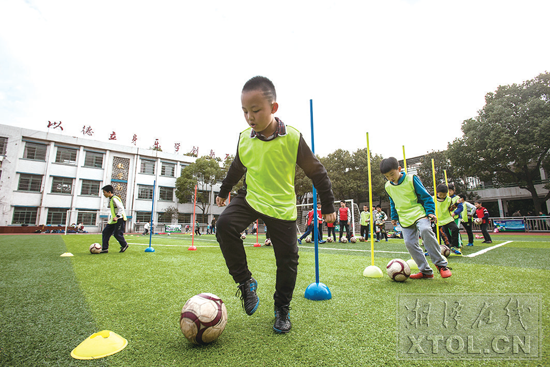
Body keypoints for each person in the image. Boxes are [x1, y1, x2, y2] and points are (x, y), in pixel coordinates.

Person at [215, 76, 336, 334]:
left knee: (287, 260)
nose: (250, 117)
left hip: (281, 206)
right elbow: (238, 167)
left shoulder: (292, 138)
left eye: (256, 110)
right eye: (245, 111)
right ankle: (246, 282)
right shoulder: (244, 138)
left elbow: (318, 172)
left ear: (274, 108)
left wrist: (328, 206)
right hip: (252, 197)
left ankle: (282, 308)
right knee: (224, 224)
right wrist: (225, 189)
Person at [380, 157, 451, 279]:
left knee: (425, 230)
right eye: (387, 176)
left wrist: (430, 212)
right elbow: (393, 202)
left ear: (399, 169)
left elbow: (426, 196)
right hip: (404, 218)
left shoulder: (411, 179)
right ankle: (426, 271)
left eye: (392, 174)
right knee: (409, 243)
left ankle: (441, 265)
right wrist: (394, 216)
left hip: (419, 213)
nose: (390, 178)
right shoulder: (388, 186)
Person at [100, 185, 129, 253]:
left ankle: (124, 245)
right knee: (105, 232)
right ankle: (105, 248)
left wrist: (117, 216)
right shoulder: (111, 199)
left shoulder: (114, 198)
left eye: (104, 192)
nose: (104, 194)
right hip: (113, 220)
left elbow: (121, 208)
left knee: (117, 234)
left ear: (109, 192)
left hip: (119, 219)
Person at [435, 184, 462, 255]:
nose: (443, 196)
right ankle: (434, 249)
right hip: (437, 219)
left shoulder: (449, 199)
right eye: (441, 195)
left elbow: (450, 209)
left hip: (447, 218)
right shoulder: (432, 199)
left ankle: (453, 246)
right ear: (437, 193)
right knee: (435, 234)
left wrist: (456, 204)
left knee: (455, 229)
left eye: (444, 195)